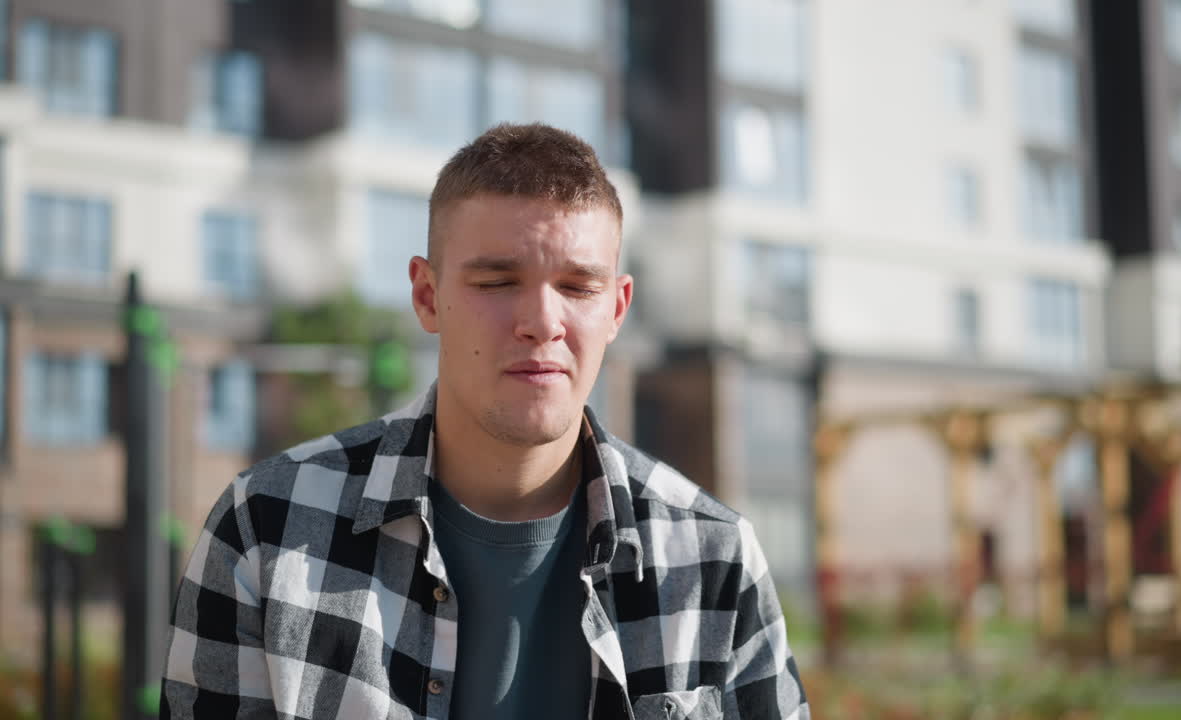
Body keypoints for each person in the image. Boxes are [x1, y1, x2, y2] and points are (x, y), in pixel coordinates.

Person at [161, 123, 808, 720]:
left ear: (617, 307)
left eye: (578, 287)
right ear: (426, 296)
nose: (542, 322)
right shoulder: (268, 528)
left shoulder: (713, 557)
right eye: (498, 282)